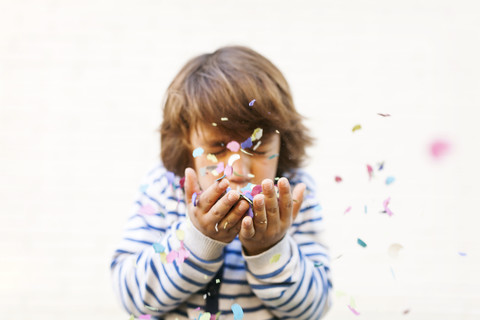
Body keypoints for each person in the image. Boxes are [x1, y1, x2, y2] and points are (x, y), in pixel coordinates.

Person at [110, 46, 332, 320]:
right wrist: (198, 239)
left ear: (282, 141)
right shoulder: (163, 188)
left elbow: (313, 309)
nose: (238, 169)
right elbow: (132, 297)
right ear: (185, 143)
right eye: (217, 148)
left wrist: (270, 248)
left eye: (259, 146)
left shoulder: (293, 196)